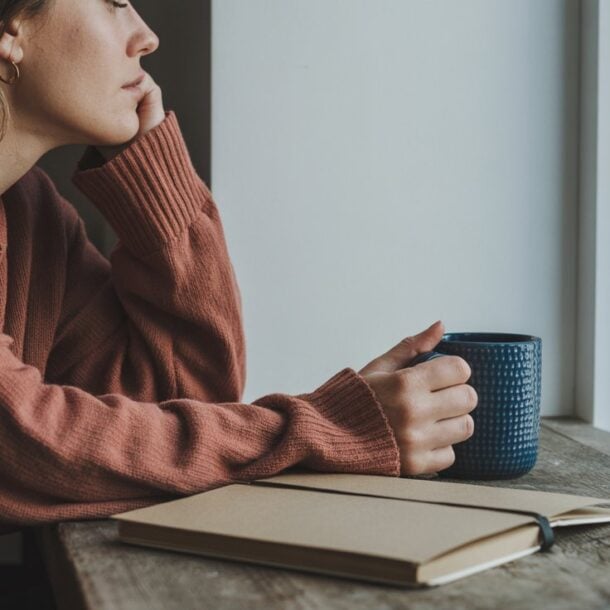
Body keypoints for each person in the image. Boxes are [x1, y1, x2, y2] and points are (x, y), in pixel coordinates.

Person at [0, 0, 478, 531]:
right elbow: (21, 445)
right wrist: (326, 431)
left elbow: (177, 400)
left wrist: (155, 180)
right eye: (113, 3)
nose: (146, 36)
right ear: (11, 29)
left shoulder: (28, 214)